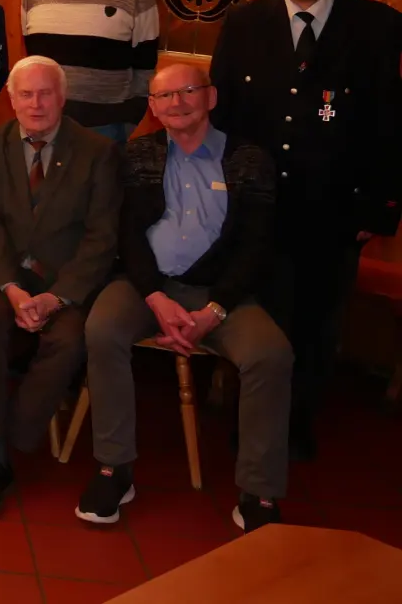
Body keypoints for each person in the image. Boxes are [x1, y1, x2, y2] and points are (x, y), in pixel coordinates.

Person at [209, 0, 401, 460]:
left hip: (334, 206)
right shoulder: (245, 23)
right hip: (258, 205)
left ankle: (295, 427)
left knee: (318, 322)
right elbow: (224, 114)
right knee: (257, 317)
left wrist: (380, 206)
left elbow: (390, 123)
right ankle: (252, 422)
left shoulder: (378, 27)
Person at [80, 63, 290, 533]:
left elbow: (257, 246)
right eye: (164, 96)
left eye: (188, 91)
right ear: (152, 107)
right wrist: (154, 296)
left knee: (271, 354)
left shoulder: (249, 159)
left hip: (222, 295)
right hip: (148, 287)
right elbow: (128, 236)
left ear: (210, 97)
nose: (176, 103)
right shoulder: (137, 155)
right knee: (102, 328)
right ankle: (115, 469)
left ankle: (259, 490)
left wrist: (214, 311)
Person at [0, 56, 119, 514]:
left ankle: (7, 441)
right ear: (11, 99)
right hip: (3, 275)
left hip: (64, 281)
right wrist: (10, 287)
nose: (36, 102)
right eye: (26, 94)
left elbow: (102, 236)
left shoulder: (97, 151)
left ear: (62, 98)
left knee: (68, 340)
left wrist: (56, 296)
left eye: (46, 93)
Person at [21, 0, 158, 145]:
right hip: (43, 124)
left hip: (106, 128)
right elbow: (30, 58)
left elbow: (145, 67)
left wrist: (129, 120)